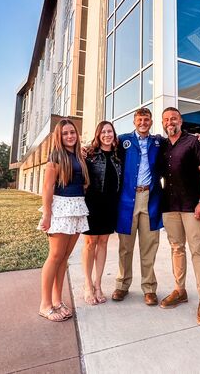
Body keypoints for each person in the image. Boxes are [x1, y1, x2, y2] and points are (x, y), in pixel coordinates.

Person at [159, 107, 200, 326]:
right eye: (166, 119)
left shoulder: (195, 142)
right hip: (169, 206)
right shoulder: (161, 145)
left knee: (197, 250)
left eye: (174, 118)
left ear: (180, 120)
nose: (170, 122)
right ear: (163, 124)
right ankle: (180, 290)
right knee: (176, 248)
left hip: (192, 206)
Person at [37, 119, 90, 322]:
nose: (70, 136)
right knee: (55, 256)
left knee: (64, 258)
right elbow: (48, 187)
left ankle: (57, 301)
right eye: (65, 133)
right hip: (61, 207)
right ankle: (45, 304)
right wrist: (47, 214)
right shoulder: (56, 156)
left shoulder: (78, 155)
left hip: (77, 206)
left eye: (72, 132)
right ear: (59, 136)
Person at [112, 107, 163, 306]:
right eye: (140, 120)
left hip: (150, 198)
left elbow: (179, 141)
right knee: (125, 247)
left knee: (149, 246)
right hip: (127, 199)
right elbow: (103, 146)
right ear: (134, 122)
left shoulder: (158, 142)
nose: (143, 123)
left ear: (151, 122)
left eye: (147, 119)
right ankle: (122, 285)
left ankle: (149, 288)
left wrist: (199, 137)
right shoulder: (123, 141)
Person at [82, 121, 122, 305]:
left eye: (110, 131)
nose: (107, 134)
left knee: (104, 242)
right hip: (92, 204)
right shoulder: (89, 154)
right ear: (98, 135)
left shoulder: (118, 155)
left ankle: (98, 285)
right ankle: (87, 285)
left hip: (110, 204)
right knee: (90, 243)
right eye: (104, 132)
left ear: (114, 134)